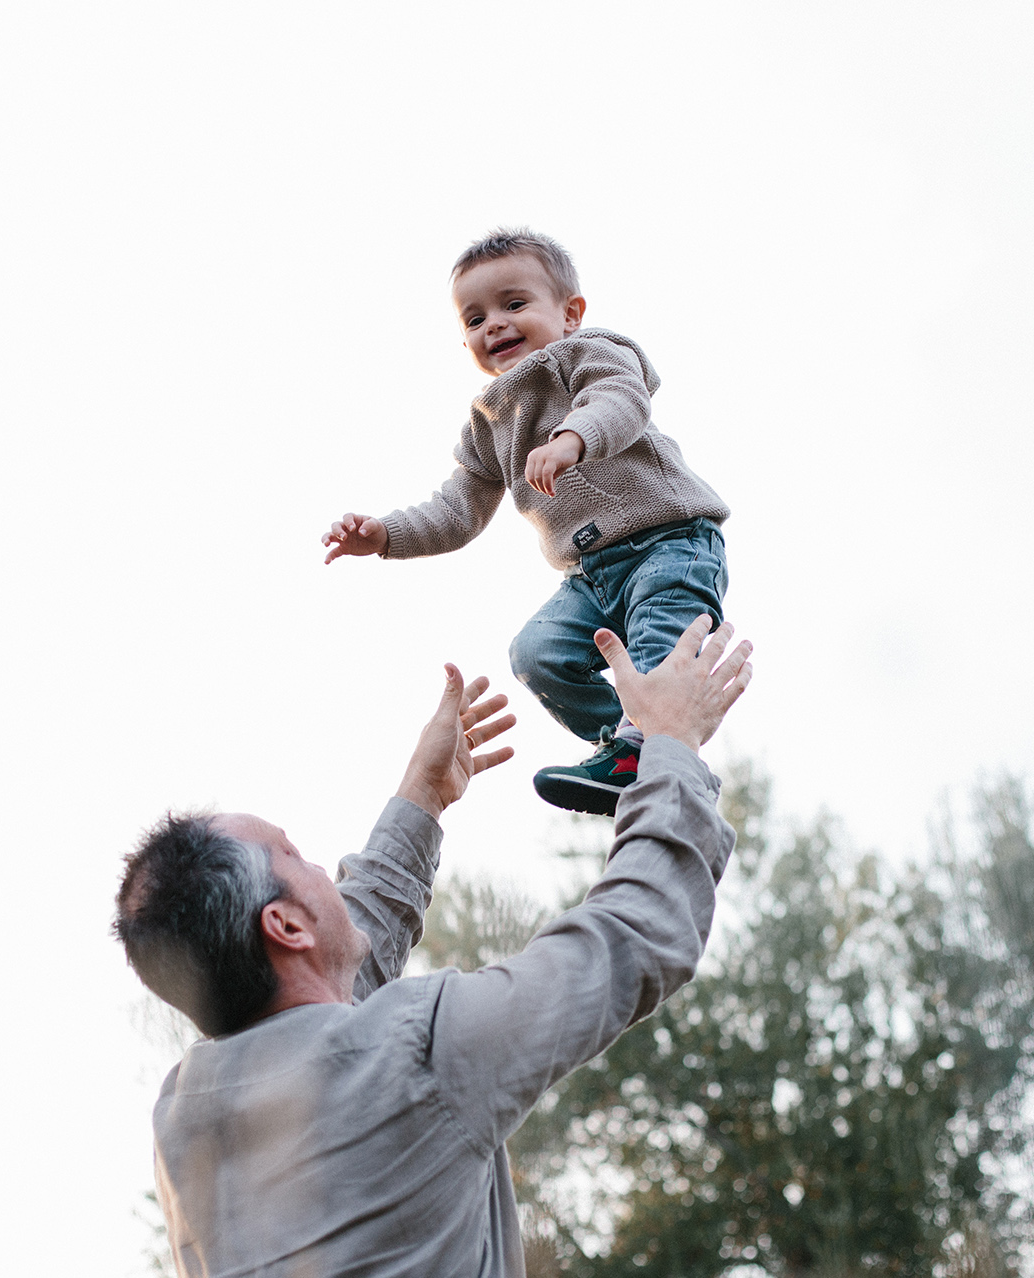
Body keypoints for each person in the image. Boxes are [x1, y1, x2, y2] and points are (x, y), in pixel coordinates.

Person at [114, 616, 753, 1278]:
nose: (319, 867)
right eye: (294, 853)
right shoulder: (421, 1051)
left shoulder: (183, 1121)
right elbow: (637, 933)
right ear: (286, 928)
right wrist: (672, 745)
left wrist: (421, 798)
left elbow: (326, 1006)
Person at [321, 227, 731, 816]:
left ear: (570, 314)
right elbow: (456, 509)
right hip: (592, 575)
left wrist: (573, 438)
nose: (494, 325)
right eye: (474, 318)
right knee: (538, 653)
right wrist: (385, 535)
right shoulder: (489, 422)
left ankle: (659, 745)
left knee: (656, 647)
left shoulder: (588, 354)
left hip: (671, 543)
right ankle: (622, 747)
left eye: (514, 305)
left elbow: (621, 399)